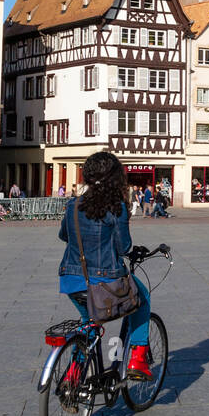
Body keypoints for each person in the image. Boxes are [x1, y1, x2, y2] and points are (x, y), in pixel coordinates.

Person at [57, 152, 153, 381]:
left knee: (88, 324)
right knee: (142, 299)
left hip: (72, 280)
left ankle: (74, 374)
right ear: (115, 178)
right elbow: (124, 247)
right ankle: (138, 358)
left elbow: (64, 236)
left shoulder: (73, 205)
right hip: (106, 281)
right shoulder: (116, 207)